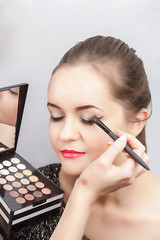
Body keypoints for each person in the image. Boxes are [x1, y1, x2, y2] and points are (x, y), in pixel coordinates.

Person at [1, 36, 160, 240]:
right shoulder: (28, 192)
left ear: (137, 122)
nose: (65, 134)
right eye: (56, 116)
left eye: (88, 119)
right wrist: (83, 195)